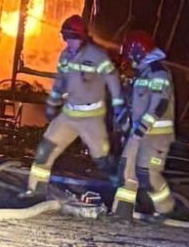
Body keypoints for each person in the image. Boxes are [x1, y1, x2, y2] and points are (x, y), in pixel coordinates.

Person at [22, 15, 124, 199]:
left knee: (102, 160)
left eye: (71, 39)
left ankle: (123, 193)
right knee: (45, 151)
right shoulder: (65, 56)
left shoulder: (97, 56)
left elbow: (113, 79)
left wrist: (118, 107)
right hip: (68, 115)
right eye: (65, 38)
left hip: (91, 118)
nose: (68, 43)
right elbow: (60, 81)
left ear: (82, 37)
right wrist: (52, 103)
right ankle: (36, 190)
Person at [111, 30, 176, 220]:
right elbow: (134, 104)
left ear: (138, 52)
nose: (130, 59)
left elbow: (160, 104)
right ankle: (122, 213)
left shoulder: (158, 72)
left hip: (156, 135)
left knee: (146, 174)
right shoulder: (142, 73)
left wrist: (140, 129)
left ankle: (166, 209)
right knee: (126, 169)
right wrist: (124, 122)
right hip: (138, 132)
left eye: (131, 54)